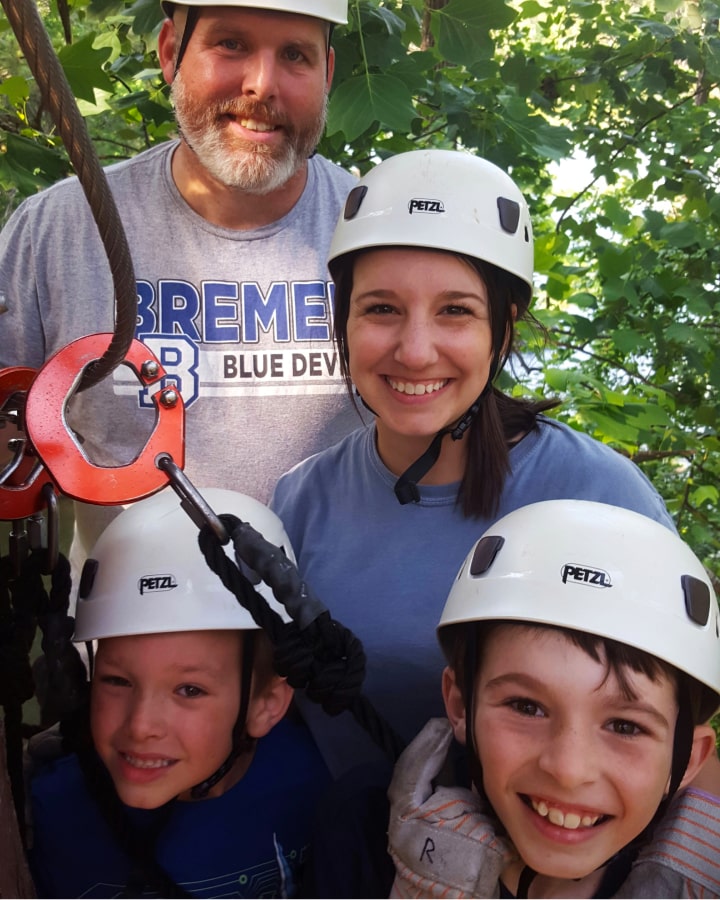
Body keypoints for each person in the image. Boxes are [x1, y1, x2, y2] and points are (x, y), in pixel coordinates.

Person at [270, 148, 678, 776]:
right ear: (343, 321)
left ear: (503, 330)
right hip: (336, 861)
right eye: (380, 308)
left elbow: (672, 726)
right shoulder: (301, 502)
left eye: (455, 311)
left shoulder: (599, 498)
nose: (414, 350)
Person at [0, 0, 359, 581]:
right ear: (170, 52)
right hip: (127, 650)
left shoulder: (380, 232)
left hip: (336, 647)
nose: (261, 84)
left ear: (327, 75)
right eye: (231, 44)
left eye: (295, 54)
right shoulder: (63, 229)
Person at [388, 499, 720, 899]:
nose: (568, 770)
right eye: (527, 707)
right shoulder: (357, 832)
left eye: (625, 726)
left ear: (688, 759)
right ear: (460, 707)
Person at [27, 487, 332, 898]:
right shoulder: (48, 808)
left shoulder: (313, 785)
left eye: (189, 690)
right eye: (117, 681)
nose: (141, 726)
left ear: (267, 703)